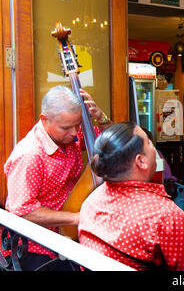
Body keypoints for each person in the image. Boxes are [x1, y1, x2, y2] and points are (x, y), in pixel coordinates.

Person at [78, 122, 184, 271]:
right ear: (141, 161)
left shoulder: (91, 202)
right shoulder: (166, 216)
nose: (154, 148)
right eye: (149, 143)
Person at [3, 85, 111, 271]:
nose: (74, 132)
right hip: (37, 246)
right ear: (44, 120)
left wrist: (101, 118)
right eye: (66, 127)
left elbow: (110, 143)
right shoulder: (30, 154)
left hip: (69, 236)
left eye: (78, 125)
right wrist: (75, 218)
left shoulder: (69, 136)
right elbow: (22, 211)